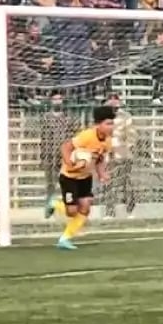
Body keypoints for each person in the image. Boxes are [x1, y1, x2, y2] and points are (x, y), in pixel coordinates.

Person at [48, 106, 116, 250]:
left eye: (112, 123)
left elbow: (100, 159)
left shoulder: (108, 142)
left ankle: (64, 239)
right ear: (98, 124)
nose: (111, 127)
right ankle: (55, 204)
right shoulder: (86, 136)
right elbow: (65, 147)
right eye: (108, 123)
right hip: (69, 177)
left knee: (85, 207)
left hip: (85, 177)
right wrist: (70, 164)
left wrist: (102, 174)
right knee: (71, 211)